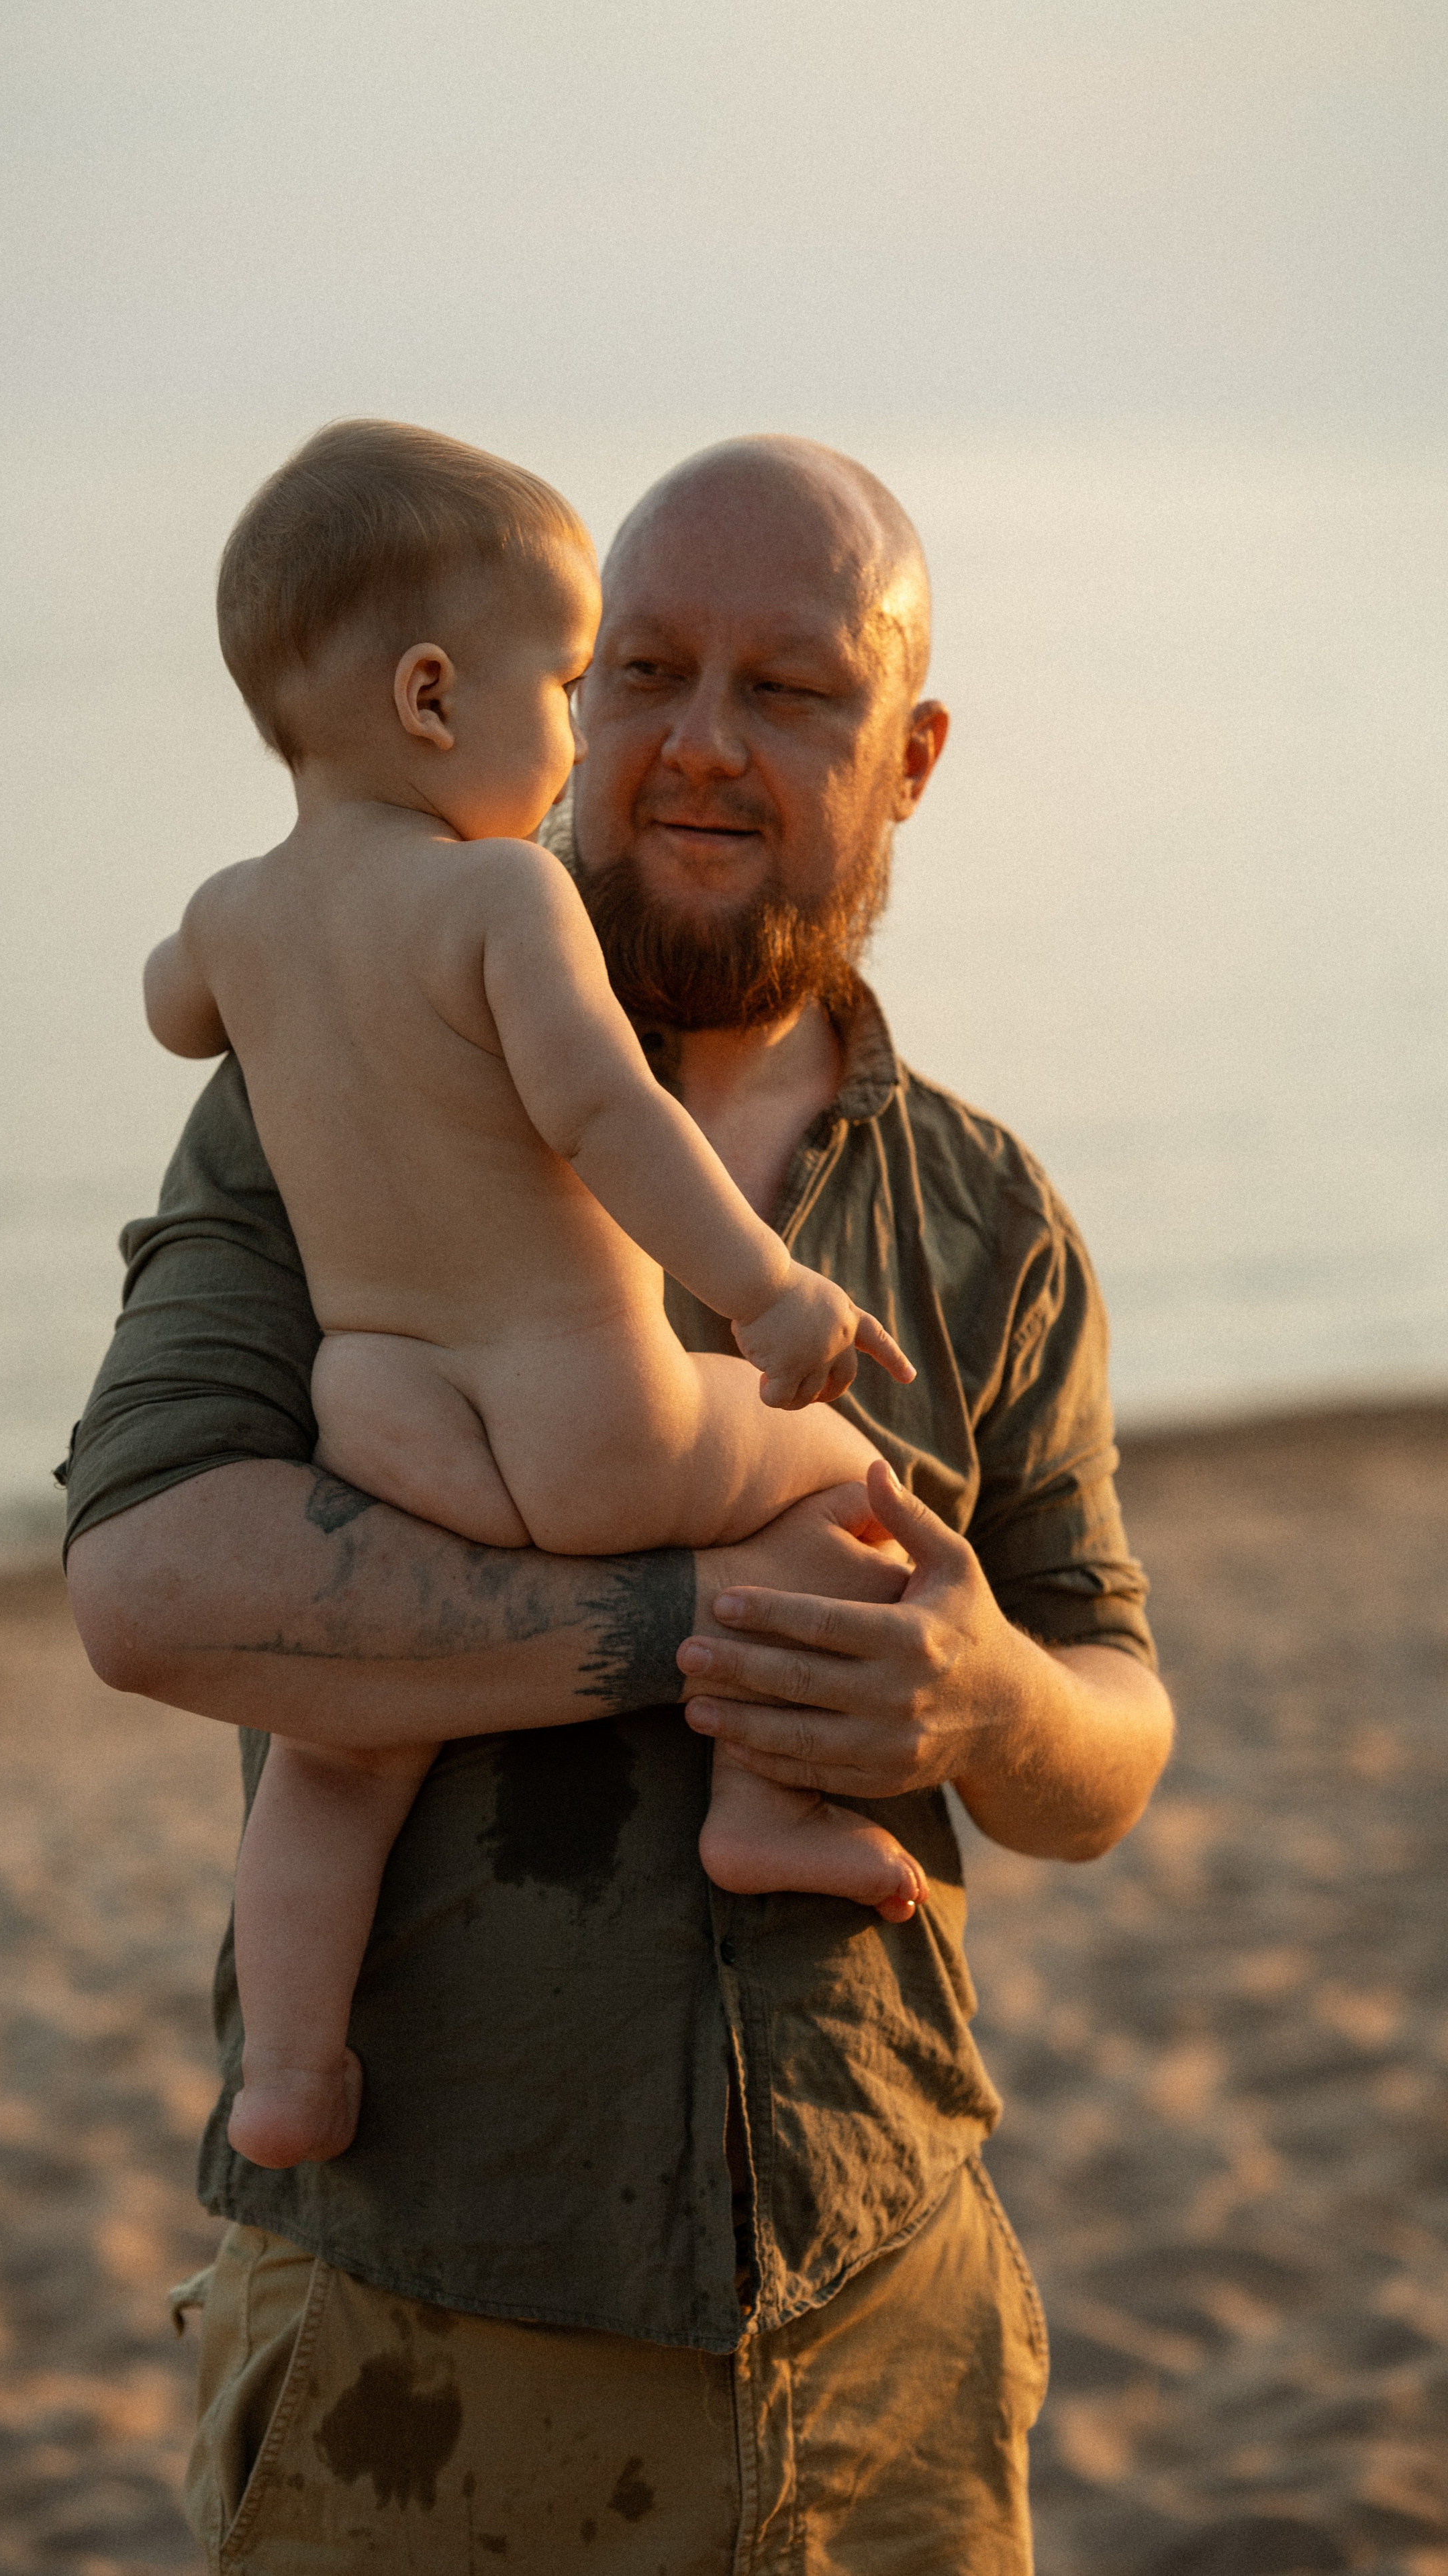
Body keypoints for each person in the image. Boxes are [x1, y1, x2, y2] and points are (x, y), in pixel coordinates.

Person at [65, 432, 1174, 2573]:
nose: (688, 745)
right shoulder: (335, 1077)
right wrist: (711, 1629)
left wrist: (977, 1706)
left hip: (891, 2348)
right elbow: (150, 1589)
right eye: (641, 671)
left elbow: (1106, 1733)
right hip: (429, 2361)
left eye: (788, 690)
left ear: (915, 753)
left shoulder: (987, 1216)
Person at [143, 420, 928, 2174]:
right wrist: (776, 1298)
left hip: (387, 1415)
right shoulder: (499, 892)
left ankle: (287, 2071)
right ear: (435, 699)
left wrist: (256, 955)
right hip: (581, 1407)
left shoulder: (234, 915)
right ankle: (764, 1802)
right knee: (834, 1485)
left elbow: (170, 1008)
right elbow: (608, 1118)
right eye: (575, 683)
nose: (577, 735)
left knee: (338, 1756)